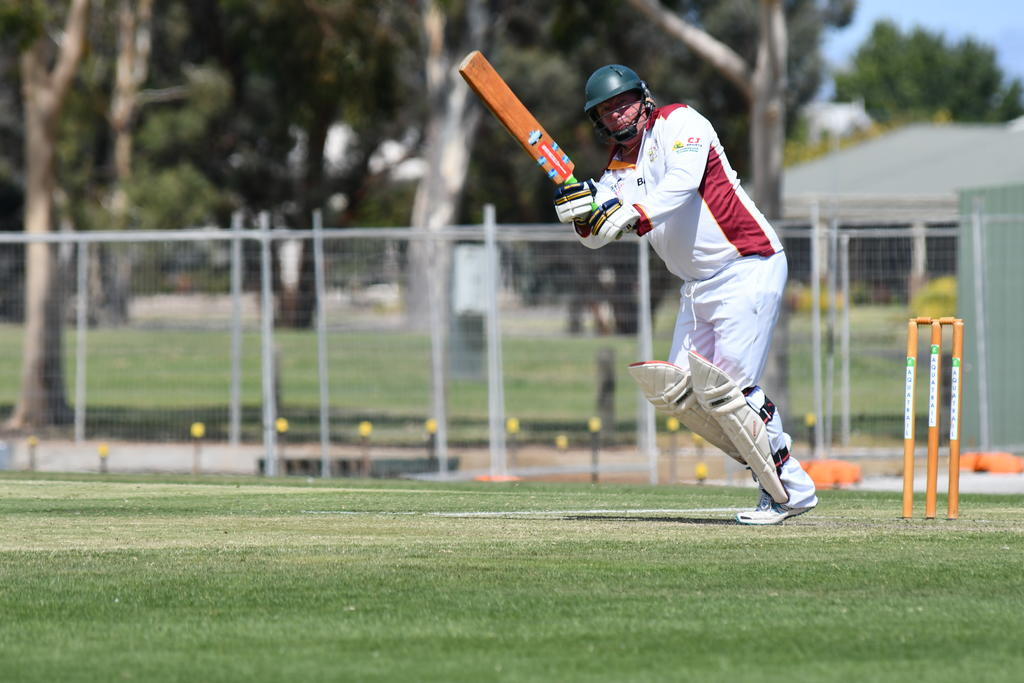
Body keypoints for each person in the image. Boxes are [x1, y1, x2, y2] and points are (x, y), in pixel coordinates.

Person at [553, 64, 817, 525]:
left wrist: (629, 213)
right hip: (697, 288)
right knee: (680, 391)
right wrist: (581, 215)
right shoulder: (617, 168)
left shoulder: (681, 122)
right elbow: (597, 234)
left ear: (643, 97)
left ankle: (788, 493)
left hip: (747, 266)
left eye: (624, 102)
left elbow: (681, 182)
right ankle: (780, 480)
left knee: (730, 394)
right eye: (607, 110)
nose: (618, 115)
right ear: (599, 121)